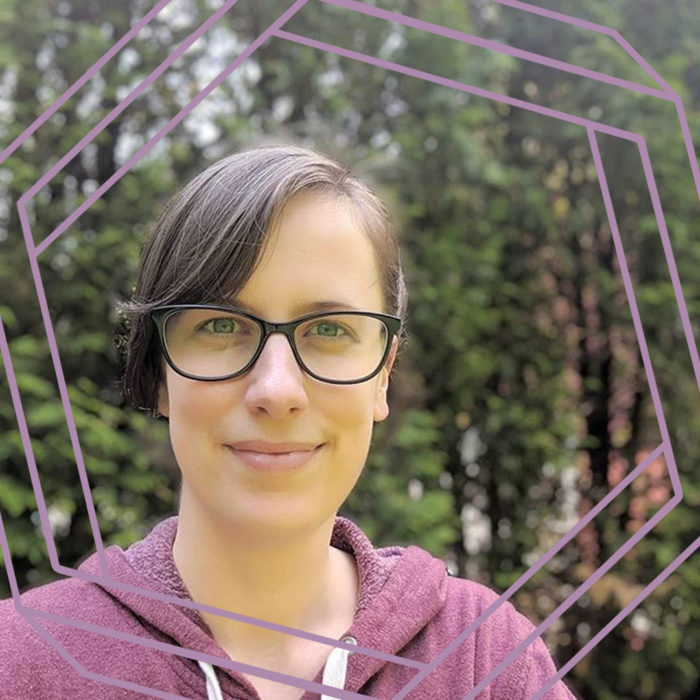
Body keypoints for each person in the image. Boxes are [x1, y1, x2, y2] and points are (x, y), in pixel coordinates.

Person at [0, 145, 576, 699]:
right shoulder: (20, 664)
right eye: (222, 326)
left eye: (329, 330)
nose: (277, 391)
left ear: (383, 373)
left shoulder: (486, 661)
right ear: (157, 371)